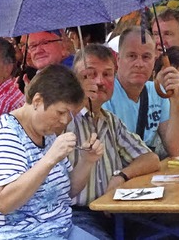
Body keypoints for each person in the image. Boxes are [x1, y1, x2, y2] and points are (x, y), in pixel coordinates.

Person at [0, 65, 104, 239]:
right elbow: (3, 202)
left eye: (69, 114)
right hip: (16, 234)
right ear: (37, 101)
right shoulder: (5, 134)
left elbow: (67, 190)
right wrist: (49, 159)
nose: (64, 120)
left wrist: (87, 160)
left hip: (60, 229)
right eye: (61, 112)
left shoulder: (46, 134)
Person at [68, 44, 161, 239]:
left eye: (107, 74)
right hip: (77, 215)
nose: (100, 81)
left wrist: (121, 177)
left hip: (115, 208)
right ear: (74, 81)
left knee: (178, 227)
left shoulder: (109, 120)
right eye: (89, 75)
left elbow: (150, 158)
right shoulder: (64, 119)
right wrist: (77, 104)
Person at [103, 27, 179, 159]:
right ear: (118, 60)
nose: (139, 64)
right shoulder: (106, 95)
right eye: (132, 56)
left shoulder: (157, 92)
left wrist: (175, 99)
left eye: (146, 57)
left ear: (154, 59)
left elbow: (176, 150)